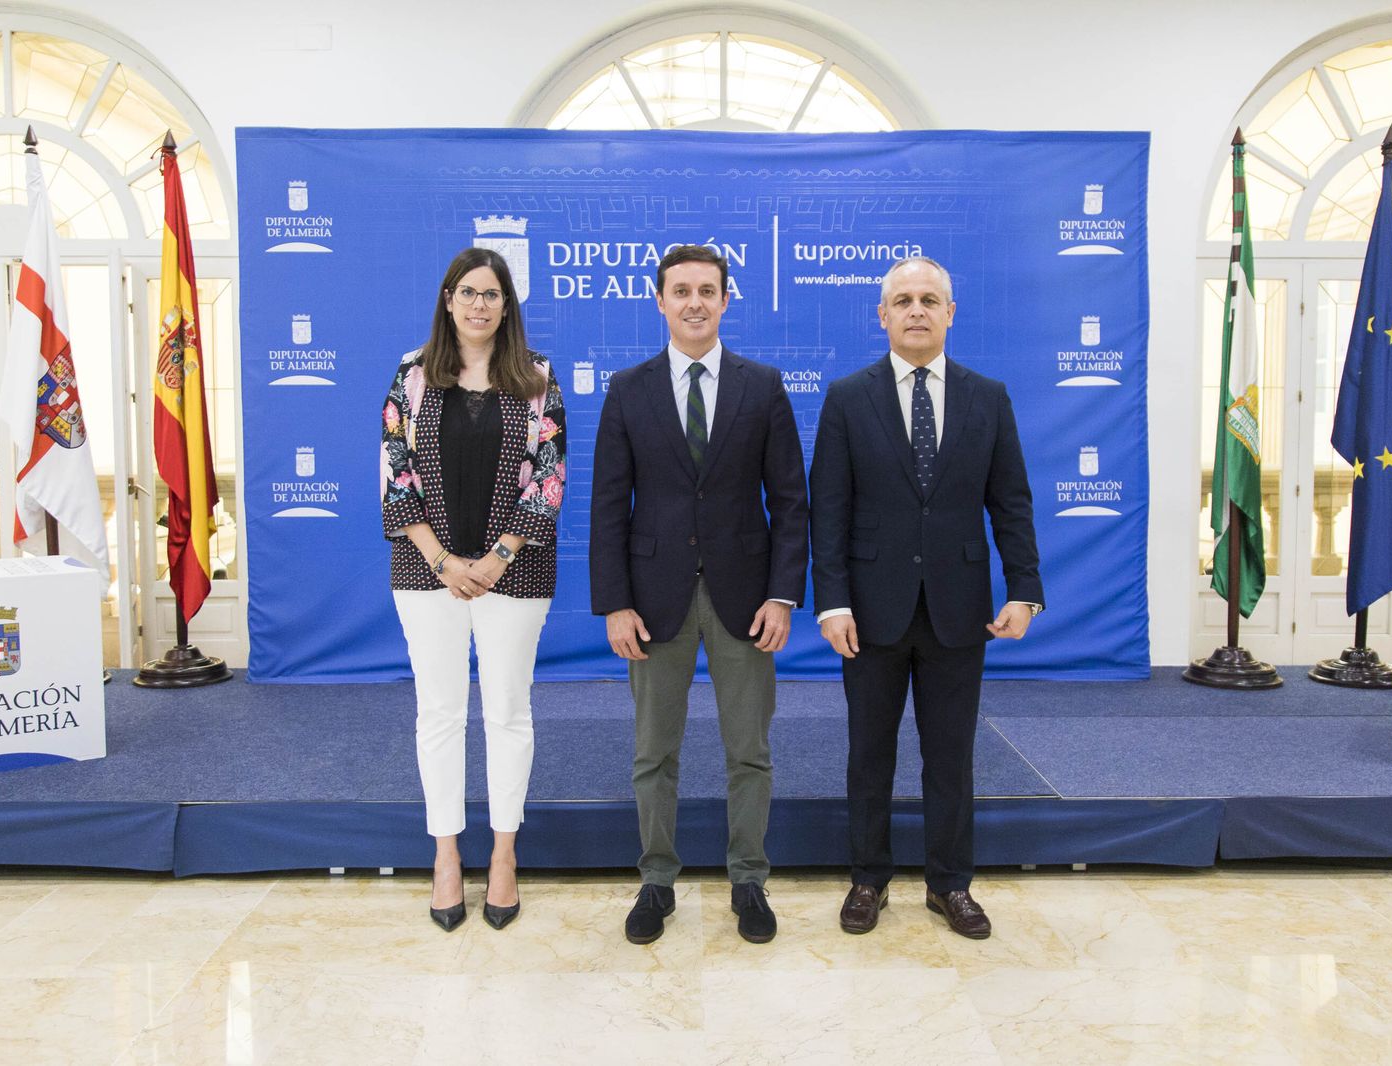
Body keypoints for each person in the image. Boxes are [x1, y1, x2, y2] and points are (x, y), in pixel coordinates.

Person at [809, 255, 1043, 940]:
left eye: (929, 299)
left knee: (950, 755)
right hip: (870, 611)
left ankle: (950, 885)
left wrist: (1024, 589)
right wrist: (832, 602)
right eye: (904, 300)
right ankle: (868, 880)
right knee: (869, 753)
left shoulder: (987, 397)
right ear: (882, 315)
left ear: (949, 314)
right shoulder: (847, 398)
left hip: (957, 609)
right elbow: (830, 509)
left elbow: (1012, 503)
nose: (916, 310)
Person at [590, 244, 808, 945]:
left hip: (746, 598)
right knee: (654, 752)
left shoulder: (763, 385)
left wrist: (783, 595)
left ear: (724, 300)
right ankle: (657, 881)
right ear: (659, 301)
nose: (694, 302)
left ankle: (749, 878)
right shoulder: (628, 388)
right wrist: (614, 602)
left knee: (750, 750)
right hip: (653, 602)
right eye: (680, 290)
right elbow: (606, 506)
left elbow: (791, 502)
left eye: (707, 290)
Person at [380, 247, 565, 932]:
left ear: (506, 304)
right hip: (426, 575)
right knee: (440, 715)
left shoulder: (537, 377)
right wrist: (443, 562)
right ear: (448, 299)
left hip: (514, 575)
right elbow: (396, 475)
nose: (479, 305)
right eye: (468, 293)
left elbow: (548, 479)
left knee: (508, 714)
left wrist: (495, 559)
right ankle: (448, 857)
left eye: (492, 294)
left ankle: (506, 856)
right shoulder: (411, 375)